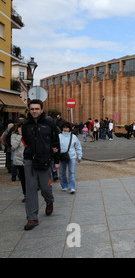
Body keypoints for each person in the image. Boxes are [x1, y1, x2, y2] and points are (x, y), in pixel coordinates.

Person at [21, 99, 60, 231]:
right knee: (30, 189)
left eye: (37, 109)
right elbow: (26, 140)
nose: (34, 111)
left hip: (45, 160)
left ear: (42, 109)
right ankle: (32, 218)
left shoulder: (49, 124)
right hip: (29, 160)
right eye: (32, 109)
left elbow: (55, 142)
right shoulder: (26, 125)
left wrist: (57, 160)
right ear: (29, 110)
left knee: (45, 187)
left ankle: (49, 200)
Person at [58, 122, 83, 194]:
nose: (65, 129)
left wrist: (79, 156)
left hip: (72, 156)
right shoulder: (59, 136)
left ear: (69, 129)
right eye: (64, 127)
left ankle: (72, 187)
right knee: (62, 172)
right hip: (62, 156)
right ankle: (64, 185)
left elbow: (78, 147)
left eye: (67, 127)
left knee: (72, 172)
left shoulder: (74, 137)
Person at [11, 122, 26, 202]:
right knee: (23, 178)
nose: (21, 129)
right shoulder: (14, 136)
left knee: (30, 178)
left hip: (29, 160)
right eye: (20, 128)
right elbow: (14, 145)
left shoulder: (28, 135)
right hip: (19, 161)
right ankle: (25, 194)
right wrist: (20, 136)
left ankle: (31, 192)